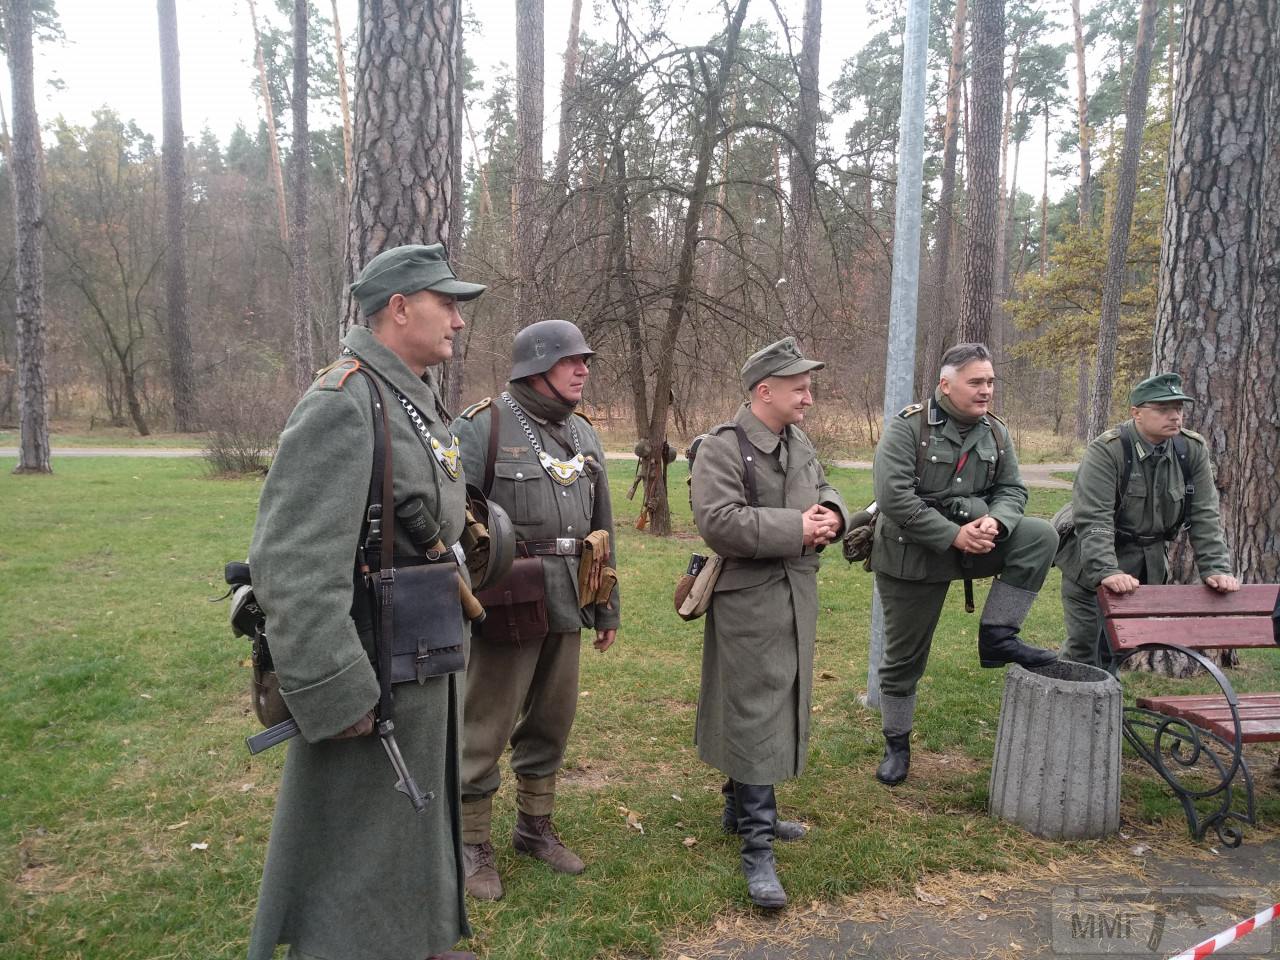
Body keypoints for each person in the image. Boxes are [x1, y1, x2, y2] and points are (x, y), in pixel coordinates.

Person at [246, 243, 484, 960]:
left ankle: (424, 935)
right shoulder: (343, 402)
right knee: (357, 846)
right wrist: (335, 688)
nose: (459, 321)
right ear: (399, 308)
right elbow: (290, 562)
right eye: (447, 304)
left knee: (409, 829)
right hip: (372, 674)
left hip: (419, 655)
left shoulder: (409, 397)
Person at [451, 319, 620, 902]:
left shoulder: (584, 436)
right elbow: (451, 524)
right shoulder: (483, 427)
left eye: (585, 360)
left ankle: (533, 827)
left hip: (570, 598)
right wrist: (461, 602)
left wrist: (608, 608)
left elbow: (603, 528)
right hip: (502, 599)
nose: (583, 369)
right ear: (535, 366)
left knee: (552, 719)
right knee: (485, 724)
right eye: (571, 360)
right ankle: (471, 843)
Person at [690, 337, 849, 910]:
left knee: (779, 699)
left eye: (809, 385)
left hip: (795, 593)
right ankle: (758, 848)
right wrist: (797, 530)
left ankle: (741, 810)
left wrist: (832, 513)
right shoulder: (723, 447)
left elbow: (825, 486)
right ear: (765, 391)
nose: (809, 395)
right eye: (799, 386)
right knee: (756, 706)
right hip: (749, 598)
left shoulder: (798, 439)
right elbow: (718, 521)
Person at [869, 342, 1058, 787]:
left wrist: (995, 520)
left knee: (1040, 535)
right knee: (904, 658)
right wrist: (954, 533)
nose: (986, 390)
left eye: (990, 381)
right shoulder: (908, 427)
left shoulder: (995, 431)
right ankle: (897, 741)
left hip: (974, 543)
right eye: (976, 382)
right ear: (946, 385)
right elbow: (895, 498)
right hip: (913, 552)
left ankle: (999, 635)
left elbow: (1013, 489)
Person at [1057, 372, 1239, 666]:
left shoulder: (1190, 449)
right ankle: (1063, 708)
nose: (1175, 417)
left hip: (1146, 564)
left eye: (1178, 408)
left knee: (1116, 651)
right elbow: (1094, 519)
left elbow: (1204, 514)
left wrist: (1215, 568)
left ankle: (1105, 711)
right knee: (1083, 650)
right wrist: (1106, 572)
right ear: (1136, 413)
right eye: (1163, 409)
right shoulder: (1108, 450)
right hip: (1089, 560)